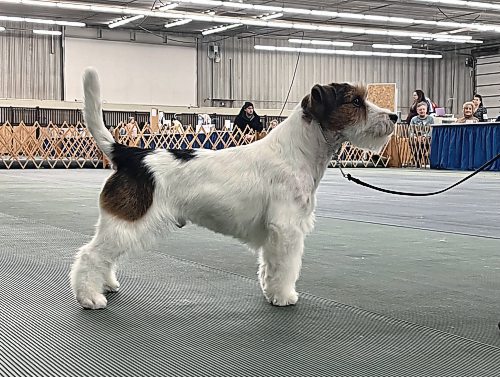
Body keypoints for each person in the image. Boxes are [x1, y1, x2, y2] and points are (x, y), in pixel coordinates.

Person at [409, 101, 434, 168]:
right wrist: (415, 137)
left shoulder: (430, 119)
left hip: (427, 139)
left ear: (426, 110)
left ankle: (425, 157)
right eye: (420, 110)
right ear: (417, 111)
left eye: (423, 109)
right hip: (416, 138)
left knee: (427, 144)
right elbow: (411, 130)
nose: (422, 111)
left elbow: (432, 130)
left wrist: (425, 137)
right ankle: (417, 160)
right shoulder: (414, 119)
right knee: (414, 144)